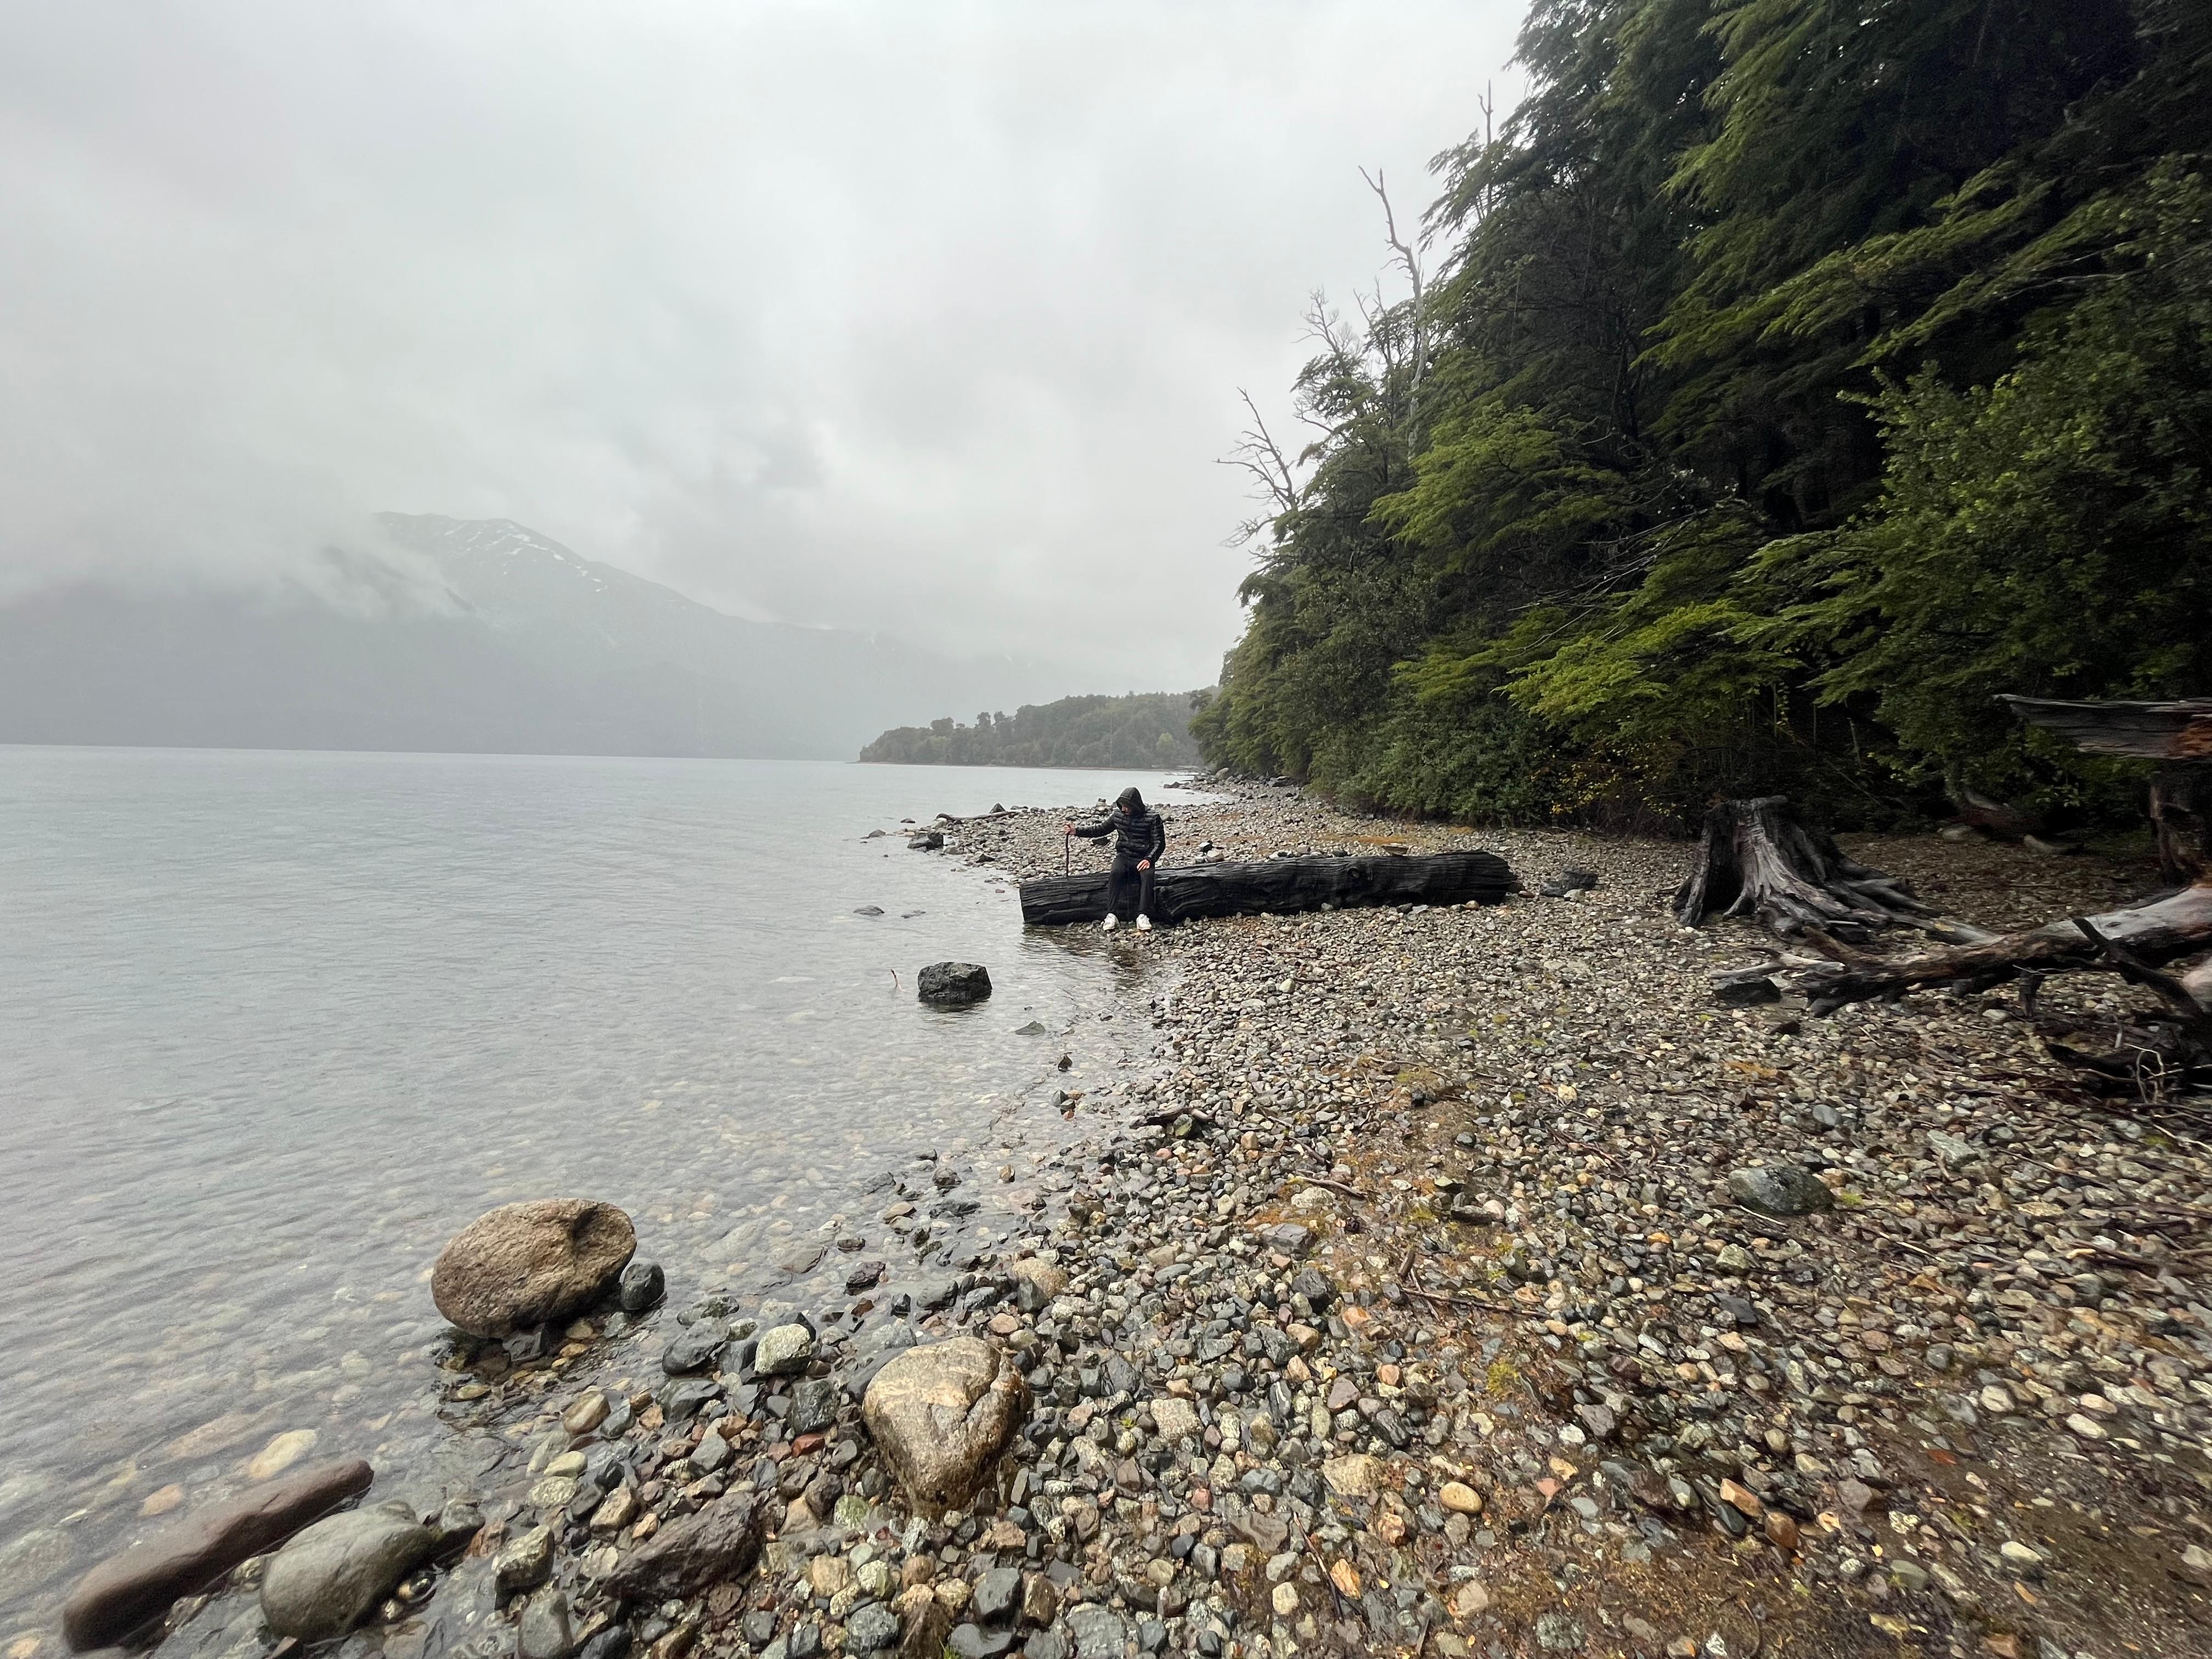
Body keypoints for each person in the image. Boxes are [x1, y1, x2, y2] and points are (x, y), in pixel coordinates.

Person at [1067, 786, 1166, 932]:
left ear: (1136, 805)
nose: (1124, 809)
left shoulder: (1152, 818)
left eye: (1127, 807)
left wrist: (1149, 859)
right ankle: (1112, 915)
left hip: (1143, 858)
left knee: (1148, 877)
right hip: (1124, 856)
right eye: (1122, 806)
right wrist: (1076, 831)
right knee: (1115, 874)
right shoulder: (1117, 816)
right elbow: (1100, 829)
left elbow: (1160, 843)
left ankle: (1143, 916)